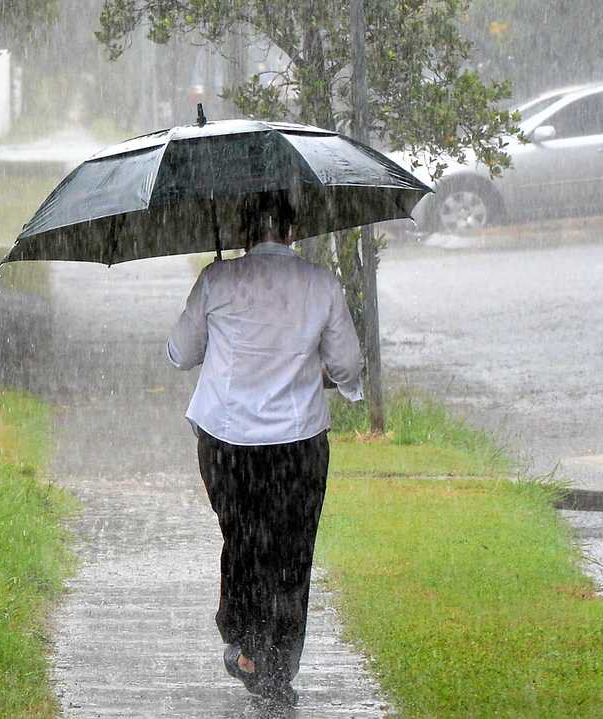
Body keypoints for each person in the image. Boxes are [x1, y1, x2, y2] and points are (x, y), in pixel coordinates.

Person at [166, 192, 364, 703]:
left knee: (243, 537)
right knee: (292, 552)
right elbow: (348, 368)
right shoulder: (321, 285)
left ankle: (244, 639)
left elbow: (180, 353)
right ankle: (277, 664)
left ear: (244, 232)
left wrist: (218, 322)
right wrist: (316, 371)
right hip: (296, 446)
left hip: (227, 442)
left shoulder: (217, 279)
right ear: (293, 232)